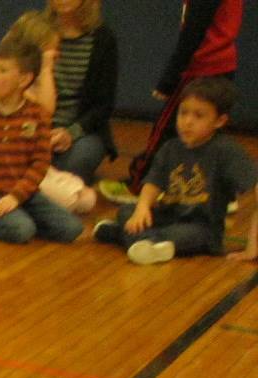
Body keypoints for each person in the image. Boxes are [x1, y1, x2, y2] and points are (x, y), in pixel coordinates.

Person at [94, 77, 258, 264]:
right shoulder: (171, 147)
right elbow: (153, 182)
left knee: (184, 234)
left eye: (198, 116)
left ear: (220, 121)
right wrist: (142, 208)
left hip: (201, 227)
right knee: (126, 211)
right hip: (169, 216)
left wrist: (252, 248)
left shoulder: (226, 152)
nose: (187, 122)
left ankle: (123, 236)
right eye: (183, 113)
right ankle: (145, 244)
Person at [0, 37, 83, 245]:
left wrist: (16, 197)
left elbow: (39, 164)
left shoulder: (37, 117)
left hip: (25, 195)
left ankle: (14, 221)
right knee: (22, 230)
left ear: (24, 80)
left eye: (2, 70)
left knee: (72, 229)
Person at [114, 0, 243, 198]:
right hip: (222, 65)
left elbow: (194, 29)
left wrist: (170, 77)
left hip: (201, 66)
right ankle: (215, 193)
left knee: (167, 129)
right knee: (208, 135)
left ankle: (141, 184)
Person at [4, 10, 99, 213]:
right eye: (52, 51)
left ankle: (25, 200)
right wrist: (46, 69)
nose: (57, 56)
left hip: (32, 166)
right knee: (77, 200)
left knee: (88, 198)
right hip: (11, 169)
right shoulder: (13, 83)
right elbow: (46, 111)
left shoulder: (32, 81)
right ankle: (14, 200)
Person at [43, 0, 119, 185]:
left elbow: (103, 106)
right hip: (37, 124)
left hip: (82, 131)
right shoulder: (37, 32)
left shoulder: (103, 39)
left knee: (79, 159)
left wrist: (70, 133)